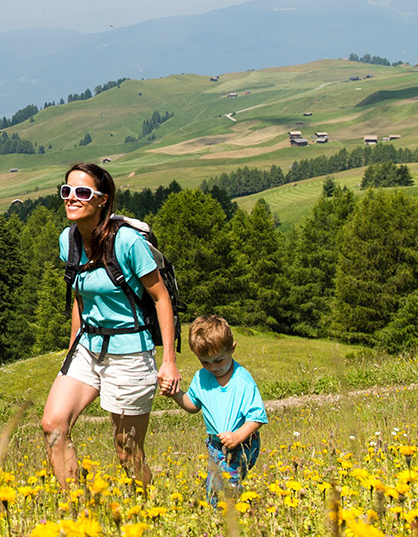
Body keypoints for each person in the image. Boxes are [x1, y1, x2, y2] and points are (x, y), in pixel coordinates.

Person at [39, 162, 180, 489]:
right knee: (53, 426)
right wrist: (73, 347)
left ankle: (147, 510)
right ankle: (76, 510)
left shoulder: (127, 242)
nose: (71, 198)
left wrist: (169, 363)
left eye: (82, 192)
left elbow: (161, 299)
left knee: (126, 451)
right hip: (88, 350)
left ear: (103, 200)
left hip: (130, 353)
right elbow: (79, 294)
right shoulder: (68, 240)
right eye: (66, 191)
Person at [166, 315, 267, 505]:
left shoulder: (242, 380)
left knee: (229, 482)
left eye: (218, 360)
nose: (213, 367)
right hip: (215, 442)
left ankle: (234, 516)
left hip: (243, 441)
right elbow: (192, 405)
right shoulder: (201, 377)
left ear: (232, 349)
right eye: (205, 362)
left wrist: (237, 436)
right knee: (213, 484)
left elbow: (257, 418)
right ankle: (216, 519)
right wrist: (175, 394)